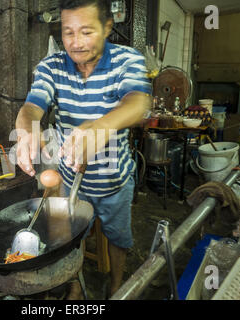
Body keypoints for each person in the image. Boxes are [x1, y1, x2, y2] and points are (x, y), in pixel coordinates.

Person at [15, 0, 151, 299]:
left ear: (107, 27)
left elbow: (138, 102)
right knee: (69, 239)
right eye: (68, 33)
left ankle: (116, 285)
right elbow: (33, 105)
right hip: (71, 179)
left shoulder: (127, 60)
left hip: (115, 179)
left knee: (119, 238)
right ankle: (75, 287)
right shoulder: (51, 66)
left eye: (86, 32)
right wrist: (27, 129)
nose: (75, 43)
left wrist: (101, 127)